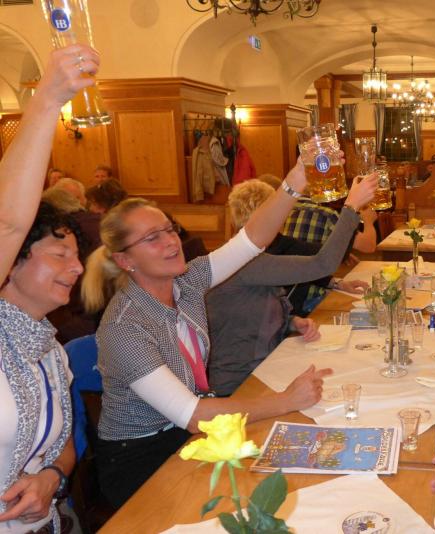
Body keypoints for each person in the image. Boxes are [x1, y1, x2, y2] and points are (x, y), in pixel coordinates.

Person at [81, 159, 336, 508]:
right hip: (142, 458)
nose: (171, 242)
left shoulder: (186, 281)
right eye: (153, 238)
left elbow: (252, 240)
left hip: (191, 435)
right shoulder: (124, 327)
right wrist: (287, 400)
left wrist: (295, 181)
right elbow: (193, 416)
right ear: (125, 261)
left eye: (169, 229)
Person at [0, 44, 99, 534]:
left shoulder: (51, 349)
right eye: (59, 255)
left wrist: (51, 478)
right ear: (12, 263)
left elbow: (64, 444)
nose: (77, 268)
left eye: (77, 256)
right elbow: (7, 223)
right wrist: (45, 102)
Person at [206, 176, 376, 396]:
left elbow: (246, 316)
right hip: (240, 386)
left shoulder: (246, 256)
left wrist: (291, 322)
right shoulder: (246, 262)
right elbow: (324, 264)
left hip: (264, 368)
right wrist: (351, 207)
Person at [283, 199, 378, 315]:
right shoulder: (327, 214)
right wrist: (368, 221)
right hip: (307, 301)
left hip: (289, 303)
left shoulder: (289, 211)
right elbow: (368, 245)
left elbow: (302, 254)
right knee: (364, 309)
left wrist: (339, 253)